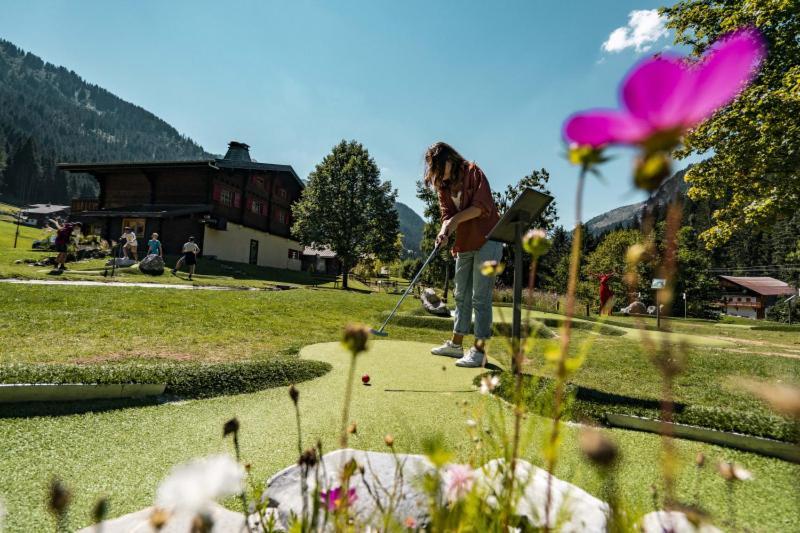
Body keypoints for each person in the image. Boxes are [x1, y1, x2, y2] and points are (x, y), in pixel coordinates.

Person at [425, 142, 502, 368]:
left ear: (450, 160)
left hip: (488, 239)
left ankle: (479, 352)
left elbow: (481, 207)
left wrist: (453, 222)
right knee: (461, 295)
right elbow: (447, 215)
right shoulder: (444, 186)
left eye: (440, 167)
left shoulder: (473, 172)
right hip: (465, 243)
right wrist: (443, 232)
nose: (438, 173)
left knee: (480, 296)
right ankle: (456, 345)